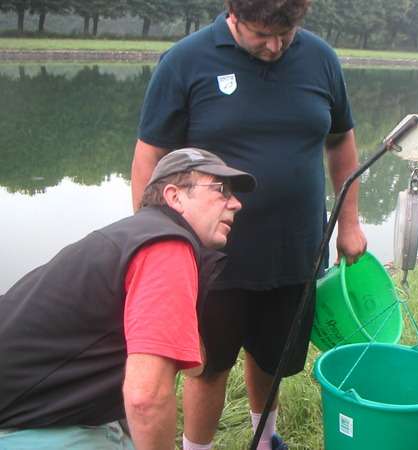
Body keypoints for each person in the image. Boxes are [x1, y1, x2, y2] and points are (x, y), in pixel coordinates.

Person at [131, 0, 367, 448]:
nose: (275, 46)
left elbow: (341, 142)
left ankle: (265, 441)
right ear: (232, 13)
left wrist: (349, 222)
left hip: (295, 249)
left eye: (287, 32)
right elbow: (149, 159)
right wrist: (151, 240)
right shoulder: (185, 61)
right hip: (210, 257)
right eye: (262, 33)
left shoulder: (321, 59)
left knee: (271, 358)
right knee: (208, 366)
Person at [0, 148, 256, 450]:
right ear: (175, 197)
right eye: (220, 190)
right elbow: (145, 400)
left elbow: (190, 367)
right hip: (18, 427)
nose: (236, 203)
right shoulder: (167, 247)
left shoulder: (134, 233)